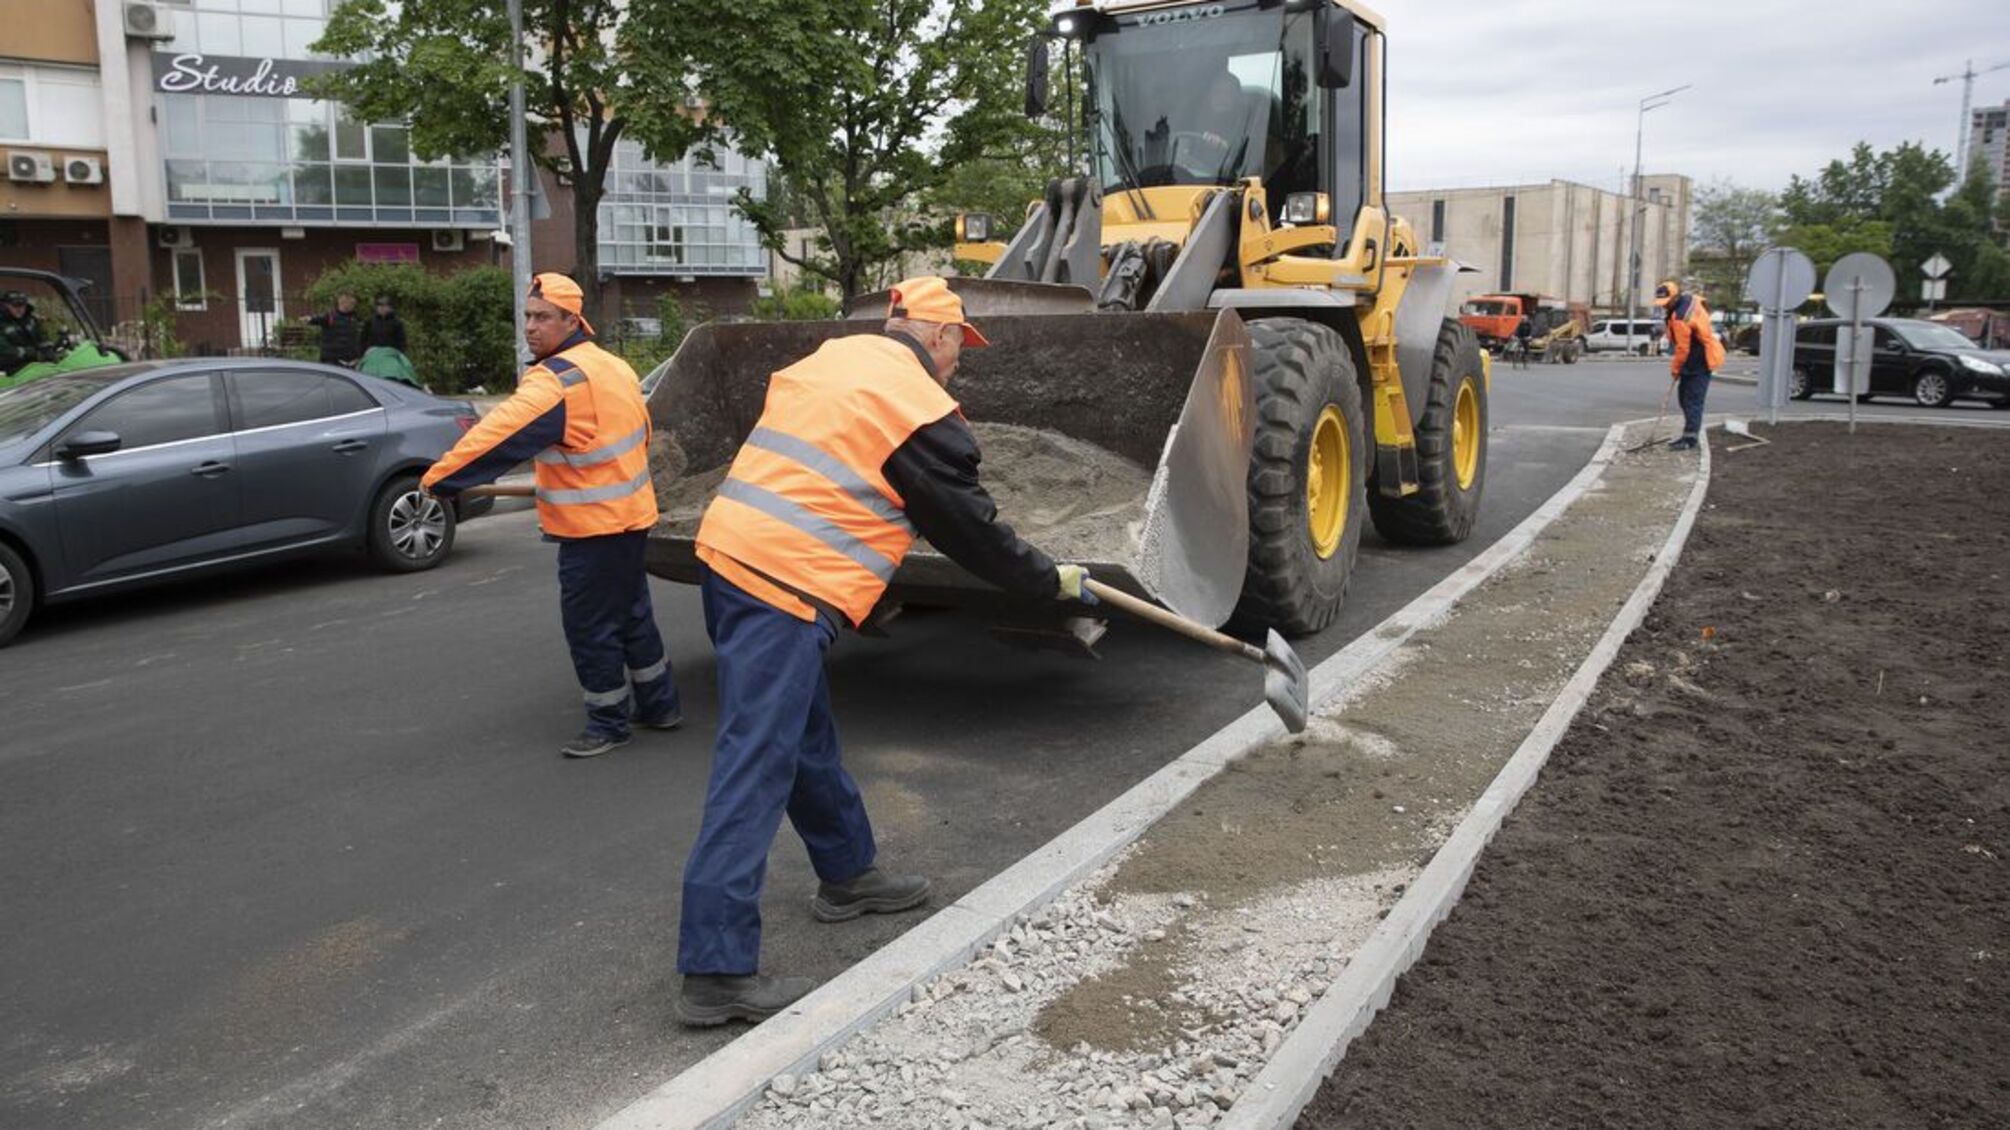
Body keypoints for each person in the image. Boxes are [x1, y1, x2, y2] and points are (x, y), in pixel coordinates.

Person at [673, 275, 1095, 1026]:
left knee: (801, 735)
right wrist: (1047, 581)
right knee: (755, 764)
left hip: (730, 555)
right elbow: (965, 528)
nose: (957, 364)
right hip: (784, 584)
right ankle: (715, 972)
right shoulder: (915, 404)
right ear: (935, 337)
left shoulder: (832, 360)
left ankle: (847, 875)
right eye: (958, 348)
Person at [420, 273, 682, 758]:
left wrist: (439, 480)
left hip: (591, 528)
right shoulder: (613, 367)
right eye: (528, 316)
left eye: (543, 317)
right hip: (631, 516)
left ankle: (608, 723)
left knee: (591, 626)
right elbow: (639, 436)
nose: (531, 327)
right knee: (631, 614)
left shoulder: (558, 382)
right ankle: (660, 704)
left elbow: (498, 437)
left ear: (571, 320)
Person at [1654, 280, 1725, 451]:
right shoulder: (1686, 302)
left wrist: (1676, 369)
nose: (1664, 306)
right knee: (1685, 398)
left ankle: (1690, 439)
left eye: (1666, 302)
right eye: (1661, 303)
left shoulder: (1680, 317)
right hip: (1695, 358)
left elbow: (1683, 348)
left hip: (1698, 361)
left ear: (1675, 297)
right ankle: (1689, 433)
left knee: (1692, 400)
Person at [0, 291, 54, 376]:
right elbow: (4, 349)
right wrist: (31, 353)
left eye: (22, 306)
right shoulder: (2, 323)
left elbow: (42, 336)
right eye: (15, 306)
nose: (19, 309)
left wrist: (48, 349)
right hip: (10, 370)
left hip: (35, 366)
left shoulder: (31, 320)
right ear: (5, 305)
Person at [306, 292, 365, 366]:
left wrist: (358, 357)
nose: (351, 306)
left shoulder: (355, 318)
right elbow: (318, 319)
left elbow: (356, 339)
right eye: (350, 303)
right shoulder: (330, 316)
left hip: (351, 361)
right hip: (332, 360)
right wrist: (309, 319)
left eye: (353, 304)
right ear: (341, 303)